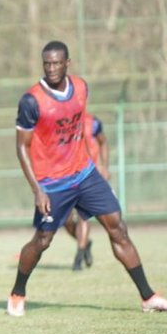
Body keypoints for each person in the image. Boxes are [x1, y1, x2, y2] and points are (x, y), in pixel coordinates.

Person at [7, 40, 167, 316]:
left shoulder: (81, 88)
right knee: (42, 241)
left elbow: (79, 132)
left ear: (67, 63)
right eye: (46, 64)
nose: (51, 68)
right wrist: (37, 189)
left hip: (86, 174)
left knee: (118, 228)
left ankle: (149, 297)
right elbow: (21, 147)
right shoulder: (31, 101)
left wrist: (96, 164)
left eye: (56, 63)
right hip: (52, 182)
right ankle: (18, 292)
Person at [64, 113, 109, 271]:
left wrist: (104, 167)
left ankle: (79, 257)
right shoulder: (60, 123)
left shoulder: (93, 123)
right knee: (66, 220)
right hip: (65, 177)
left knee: (84, 217)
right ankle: (85, 243)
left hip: (88, 177)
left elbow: (103, 142)